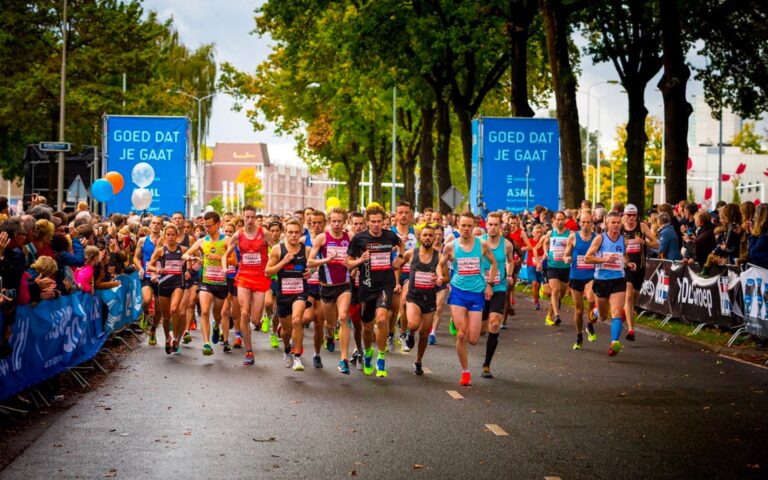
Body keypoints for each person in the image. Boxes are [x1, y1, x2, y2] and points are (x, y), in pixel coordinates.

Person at [437, 211, 497, 386]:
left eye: (469, 226)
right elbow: (439, 265)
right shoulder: (450, 246)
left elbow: (493, 263)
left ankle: (459, 323)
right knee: (462, 335)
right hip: (458, 293)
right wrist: (440, 277)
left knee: (473, 339)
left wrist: (490, 284)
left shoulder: (482, 245)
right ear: (458, 226)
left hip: (477, 293)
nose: (466, 229)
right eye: (463, 225)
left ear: (474, 227)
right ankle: (465, 372)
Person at [347, 204, 404, 378]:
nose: (377, 225)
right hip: (366, 285)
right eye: (373, 222)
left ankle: (381, 357)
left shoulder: (390, 236)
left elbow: (401, 245)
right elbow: (348, 263)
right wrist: (359, 261)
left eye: (379, 221)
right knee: (367, 327)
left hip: (385, 284)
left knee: (381, 320)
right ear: (367, 222)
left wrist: (399, 258)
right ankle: (368, 353)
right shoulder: (359, 239)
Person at [307, 207, 353, 374]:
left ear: (344, 222)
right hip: (326, 287)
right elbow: (310, 262)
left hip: (344, 285)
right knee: (330, 323)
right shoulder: (322, 238)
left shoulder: (350, 237)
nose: (336, 224)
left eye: (339, 221)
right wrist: (327, 259)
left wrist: (353, 264)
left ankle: (343, 360)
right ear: (329, 222)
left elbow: (357, 256)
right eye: (333, 221)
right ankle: (330, 334)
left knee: (343, 317)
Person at [223, 205, 270, 366]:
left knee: (255, 319)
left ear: (256, 217)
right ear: (243, 218)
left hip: (260, 277)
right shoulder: (238, 235)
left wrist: (274, 266)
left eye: (252, 217)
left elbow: (276, 250)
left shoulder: (264, 233)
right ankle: (249, 351)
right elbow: (226, 255)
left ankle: (260, 319)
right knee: (244, 314)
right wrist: (224, 267)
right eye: (247, 217)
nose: (250, 220)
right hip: (243, 277)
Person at [585, 211, 637, 356]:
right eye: (613, 222)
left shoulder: (623, 240)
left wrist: (628, 263)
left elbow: (624, 256)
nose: (616, 225)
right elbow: (588, 258)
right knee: (602, 316)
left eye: (618, 222)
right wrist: (604, 260)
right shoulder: (600, 239)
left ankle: (614, 343)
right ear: (607, 224)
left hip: (618, 280)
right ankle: (592, 318)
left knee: (616, 313)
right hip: (601, 281)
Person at [265, 219, 311, 371]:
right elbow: (268, 272)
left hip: (300, 292)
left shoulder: (306, 250)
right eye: (290, 232)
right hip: (283, 293)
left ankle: (297, 357)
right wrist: (283, 262)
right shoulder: (278, 249)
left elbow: (313, 267)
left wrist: (311, 272)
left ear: (301, 233)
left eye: (296, 232)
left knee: (297, 321)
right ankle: (287, 349)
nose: (293, 235)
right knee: (286, 331)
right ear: (285, 233)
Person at [182, 211, 229, 356]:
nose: (206, 229)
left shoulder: (227, 240)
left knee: (217, 314)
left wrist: (220, 257)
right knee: (204, 311)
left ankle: (216, 326)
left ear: (218, 224)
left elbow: (235, 260)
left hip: (221, 282)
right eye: (205, 226)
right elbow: (184, 255)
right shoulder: (202, 241)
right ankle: (207, 343)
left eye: (209, 226)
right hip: (206, 281)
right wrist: (192, 258)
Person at [402, 224, 443, 375]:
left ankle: (418, 361)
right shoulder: (411, 253)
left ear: (435, 237)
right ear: (420, 237)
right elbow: (398, 265)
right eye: (425, 235)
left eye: (431, 235)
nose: (428, 238)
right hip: (413, 297)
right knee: (413, 324)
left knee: (425, 334)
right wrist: (398, 282)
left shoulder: (439, 256)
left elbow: (445, 276)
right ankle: (410, 333)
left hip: (429, 299)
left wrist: (440, 280)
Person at [479, 212, 514, 378]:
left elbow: (511, 260)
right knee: (479, 331)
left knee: (494, 324)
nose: (493, 227)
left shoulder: (506, 245)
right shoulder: (479, 242)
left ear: (500, 225)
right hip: (479, 288)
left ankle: (486, 364)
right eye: (490, 224)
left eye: (496, 224)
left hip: (498, 288)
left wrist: (509, 274)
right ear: (486, 224)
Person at [147, 224, 188, 354]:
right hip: (163, 284)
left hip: (178, 284)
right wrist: (157, 269)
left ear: (177, 236)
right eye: (168, 235)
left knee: (174, 309)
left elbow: (194, 258)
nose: (170, 237)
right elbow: (149, 266)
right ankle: (167, 338)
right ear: (165, 236)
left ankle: (175, 338)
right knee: (166, 317)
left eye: (173, 235)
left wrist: (191, 267)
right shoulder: (160, 250)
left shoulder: (183, 250)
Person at [621, 204, 658, 341]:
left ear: (637, 216)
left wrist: (644, 242)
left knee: (634, 298)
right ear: (624, 215)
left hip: (641, 267)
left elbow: (657, 244)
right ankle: (631, 329)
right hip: (626, 267)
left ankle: (627, 311)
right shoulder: (620, 228)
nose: (631, 218)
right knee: (629, 295)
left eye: (633, 215)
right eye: (628, 215)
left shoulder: (642, 227)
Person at [563, 211, 597, 350]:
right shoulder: (573, 237)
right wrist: (567, 259)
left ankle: (589, 324)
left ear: (592, 223)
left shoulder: (596, 238)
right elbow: (566, 255)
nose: (585, 225)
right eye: (583, 222)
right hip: (576, 276)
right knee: (578, 310)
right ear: (579, 223)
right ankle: (579, 336)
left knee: (591, 300)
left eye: (588, 222)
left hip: (591, 275)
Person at [390, 201, 418, 353]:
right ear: (395, 215)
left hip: (410, 273)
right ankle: (390, 333)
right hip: (392, 272)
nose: (403, 215)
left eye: (406, 212)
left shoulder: (416, 232)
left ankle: (403, 334)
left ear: (411, 215)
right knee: (393, 311)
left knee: (405, 302)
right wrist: (397, 245)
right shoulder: (389, 232)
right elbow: (383, 252)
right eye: (400, 212)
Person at [133, 216, 162, 345]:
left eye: (158, 224)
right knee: (146, 299)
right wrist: (140, 268)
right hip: (147, 275)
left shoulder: (165, 240)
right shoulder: (142, 240)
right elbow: (135, 258)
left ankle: (153, 331)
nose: (155, 226)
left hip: (162, 276)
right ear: (150, 225)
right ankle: (145, 313)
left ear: (161, 226)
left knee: (159, 308)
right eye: (153, 223)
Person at [539, 211, 570, 326]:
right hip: (552, 266)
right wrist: (546, 253)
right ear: (554, 220)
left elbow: (573, 247)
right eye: (558, 219)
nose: (560, 221)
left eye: (562, 219)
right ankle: (557, 315)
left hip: (565, 267)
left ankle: (549, 315)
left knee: (560, 295)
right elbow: (545, 243)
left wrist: (569, 255)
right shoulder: (550, 233)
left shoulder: (570, 234)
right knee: (555, 291)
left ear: (565, 220)